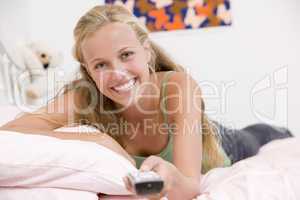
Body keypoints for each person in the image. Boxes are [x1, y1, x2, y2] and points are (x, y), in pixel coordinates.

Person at [0, 5, 292, 199]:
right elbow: (14, 129)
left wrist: (170, 181)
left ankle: (280, 131)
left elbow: (190, 185)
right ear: (88, 71)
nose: (117, 73)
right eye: (101, 65)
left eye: (126, 55)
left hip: (226, 143)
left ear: (147, 52)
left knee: (261, 136)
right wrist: (94, 139)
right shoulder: (83, 97)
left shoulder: (178, 87)